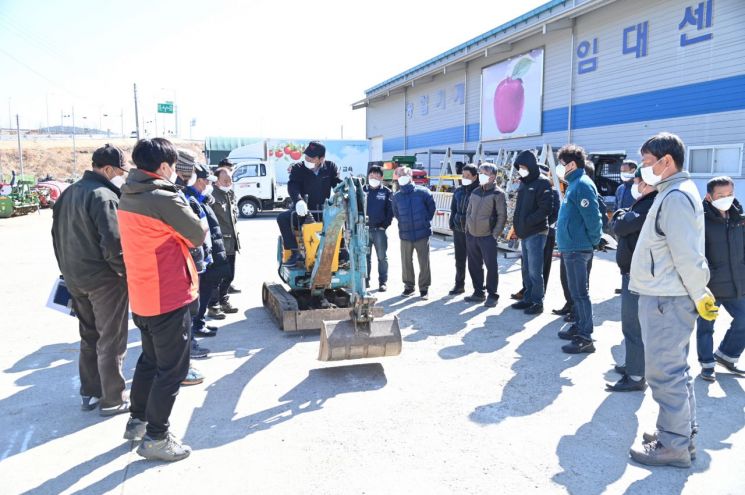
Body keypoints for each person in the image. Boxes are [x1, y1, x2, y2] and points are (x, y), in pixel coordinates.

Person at [628, 132, 716, 468]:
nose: (643, 169)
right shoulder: (673, 192)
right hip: (666, 293)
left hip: (667, 297)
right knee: (676, 370)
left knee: (665, 374)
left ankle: (674, 445)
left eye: (648, 163)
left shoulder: (676, 196)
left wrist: (700, 293)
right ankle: (679, 433)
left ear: (667, 161)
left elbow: (687, 255)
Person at [118, 138, 207, 462]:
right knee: (172, 369)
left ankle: (138, 421)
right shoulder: (163, 197)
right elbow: (197, 235)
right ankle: (156, 436)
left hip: (142, 294)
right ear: (165, 167)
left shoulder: (129, 192)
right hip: (167, 294)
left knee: (150, 361)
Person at [51, 144, 131, 415]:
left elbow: (55, 236)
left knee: (89, 336)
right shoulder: (104, 195)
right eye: (120, 171)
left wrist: (66, 271)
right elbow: (113, 243)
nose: (122, 175)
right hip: (105, 281)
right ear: (108, 169)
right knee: (112, 338)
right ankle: (113, 399)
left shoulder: (69, 192)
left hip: (75, 278)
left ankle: (90, 393)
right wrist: (124, 272)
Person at [606, 170, 657, 392]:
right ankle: (633, 364)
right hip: (633, 272)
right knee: (632, 325)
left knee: (633, 326)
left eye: (636, 182)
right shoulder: (643, 202)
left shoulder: (649, 204)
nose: (634, 186)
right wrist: (621, 215)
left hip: (638, 274)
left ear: (645, 183)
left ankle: (636, 376)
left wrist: (620, 215)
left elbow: (620, 225)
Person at [696, 176, 745, 381]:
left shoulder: (739, 218)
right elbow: (695, 253)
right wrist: (707, 277)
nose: (726, 198)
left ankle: (727, 355)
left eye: (729, 194)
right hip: (710, 286)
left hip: (737, 283)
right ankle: (707, 364)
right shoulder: (699, 219)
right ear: (709, 196)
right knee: (706, 326)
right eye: (720, 195)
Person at [555, 144, 602, 354]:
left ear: (572, 164)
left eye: (562, 164)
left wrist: (593, 241)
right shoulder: (574, 184)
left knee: (580, 293)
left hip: (578, 248)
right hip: (571, 247)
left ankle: (585, 336)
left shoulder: (582, 184)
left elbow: (593, 218)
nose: (560, 168)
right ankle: (579, 325)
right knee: (575, 292)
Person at [184, 164, 231, 356]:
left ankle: (199, 323)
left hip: (206, 254)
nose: (206, 185)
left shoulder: (200, 199)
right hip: (197, 258)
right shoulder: (187, 199)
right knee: (196, 297)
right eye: (204, 181)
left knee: (205, 291)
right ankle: (194, 329)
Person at [277, 141, 341, 266]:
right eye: (306, 156)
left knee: (342, 220)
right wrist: (298, 200)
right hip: (302, 210)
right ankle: (295, 252)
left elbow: (337, 184)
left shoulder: (330, 167)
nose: (307, 159)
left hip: (323, 211)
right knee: (282, 218)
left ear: (321, 159)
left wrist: (345, 191)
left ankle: (342, 252)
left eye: (311, 158)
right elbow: (293, 186)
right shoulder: (298, 168)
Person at [510, 150, 553, 315]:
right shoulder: (524, 183)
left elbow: (545, 209)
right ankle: (527, 298)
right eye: (519, 167)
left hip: (536, 232)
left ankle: (537, 302)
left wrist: (527, 222)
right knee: (526, 269)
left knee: (535, 270)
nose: (520, 169)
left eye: (523, 166)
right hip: (524, 233)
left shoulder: (542, 183)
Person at [464, 163, 508, 308]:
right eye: (480, 172)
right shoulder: (475, 191)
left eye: (484, 173)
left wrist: (494, 234)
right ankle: (478, 292)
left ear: (493, 176)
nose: (481, 175)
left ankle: (492, 294)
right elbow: (469, 211)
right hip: (472, 235)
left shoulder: (498, 193)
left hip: (487, 236)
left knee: (491, 266)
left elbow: (502, 216)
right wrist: (467, 229)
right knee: (474, 265)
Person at [392, 166, 436, 299]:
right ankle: (408, 287)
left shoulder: (423, 192)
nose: (401, 177)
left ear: (410, 176)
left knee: (424, 262)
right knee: (406, 262)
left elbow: (431, 209)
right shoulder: (396, 196)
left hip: (422, 233)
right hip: (405, 234)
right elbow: (397, 214)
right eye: (399, 175)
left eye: (404, 174)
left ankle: (424, 288)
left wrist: (423, 221)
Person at [211, 168, 241, 310]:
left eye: (230, 180)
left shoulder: (230, 194)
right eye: (225, 181)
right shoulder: (211, 195)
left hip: (232, 242)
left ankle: (223, 301)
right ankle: (214, 304)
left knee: (229, 275)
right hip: (219, 243)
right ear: (216, 181)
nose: (229, 183)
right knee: (217, 276)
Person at [449, 164, 479, 295]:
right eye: (463, 175)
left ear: (475, 176)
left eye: (468, 176)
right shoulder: (458, 191)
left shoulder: (479, 191)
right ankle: (459, 284)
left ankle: (478, 288)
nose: (464, 178)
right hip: (459, 230)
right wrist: (452, 223)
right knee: (459, 259)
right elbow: (453, 209)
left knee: (475, 260)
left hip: (473, 231)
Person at [365, 165, 393, 291]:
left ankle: (383, 282)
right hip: (363, 230)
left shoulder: (386, 192)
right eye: (371, 176)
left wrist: (384, 226)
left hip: (379, 231)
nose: (373, 178)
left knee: (382, 257)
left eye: (376, 176)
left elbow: (390, 211)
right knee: (365, 258)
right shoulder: (362, 191)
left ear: (381, 178)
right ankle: (365, 281)